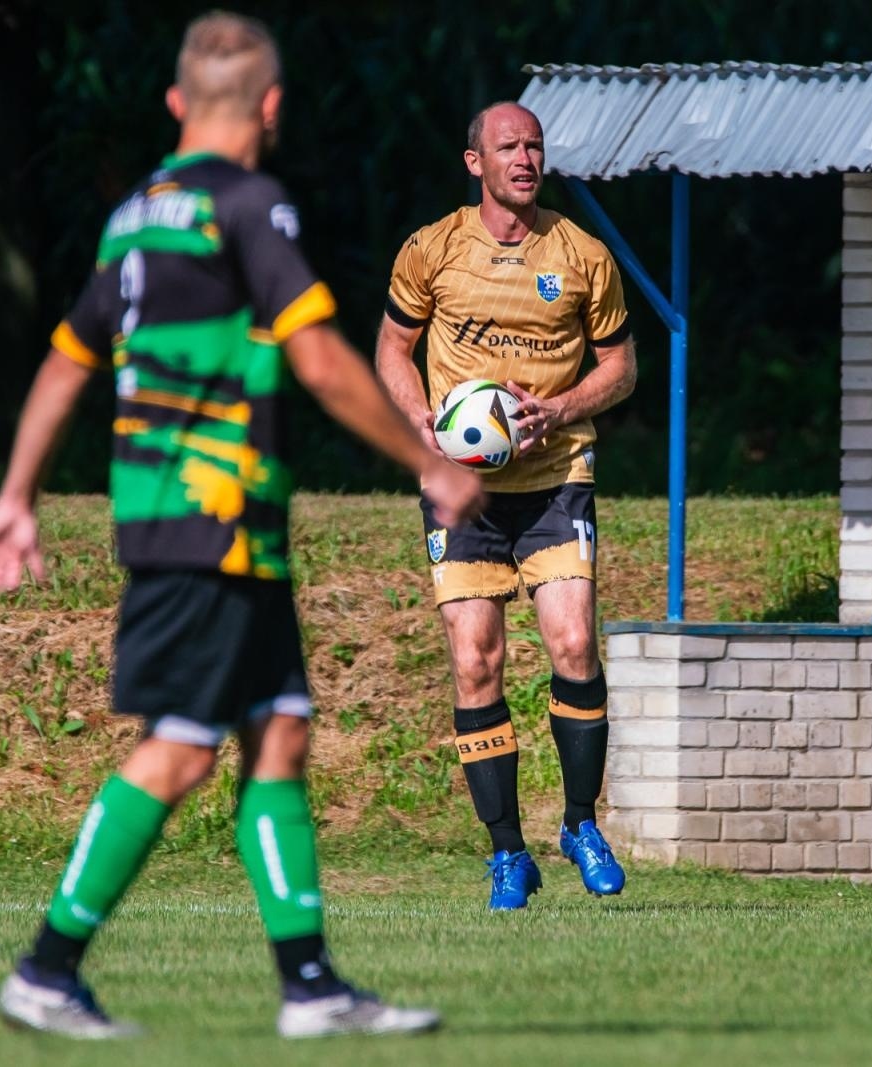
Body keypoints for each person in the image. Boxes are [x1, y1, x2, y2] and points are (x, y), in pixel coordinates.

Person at [0, 12, 482, 1039]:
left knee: (280, 727)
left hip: (202, 521)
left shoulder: (130, 218)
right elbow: (321, 357)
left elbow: (70, 358)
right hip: (209, 521)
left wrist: (17, 492)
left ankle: (310, 985)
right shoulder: (252, 206)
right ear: (272, 105)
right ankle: (46, 966)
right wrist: (427, 461)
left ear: (175, 106)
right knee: (183, 746)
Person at [375, 102, 637, 910]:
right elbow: (392, 347)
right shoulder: (433, 248)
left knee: (572, 640)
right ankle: (507, 852)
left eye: (535, 145)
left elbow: (621, 367)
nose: (525, 158)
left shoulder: (582, 254)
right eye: (508, 146)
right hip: (464, 488)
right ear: (474, 162)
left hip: (558, 474)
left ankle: (580, 824)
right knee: (476, 657)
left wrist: (558, 410)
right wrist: (421, 420)